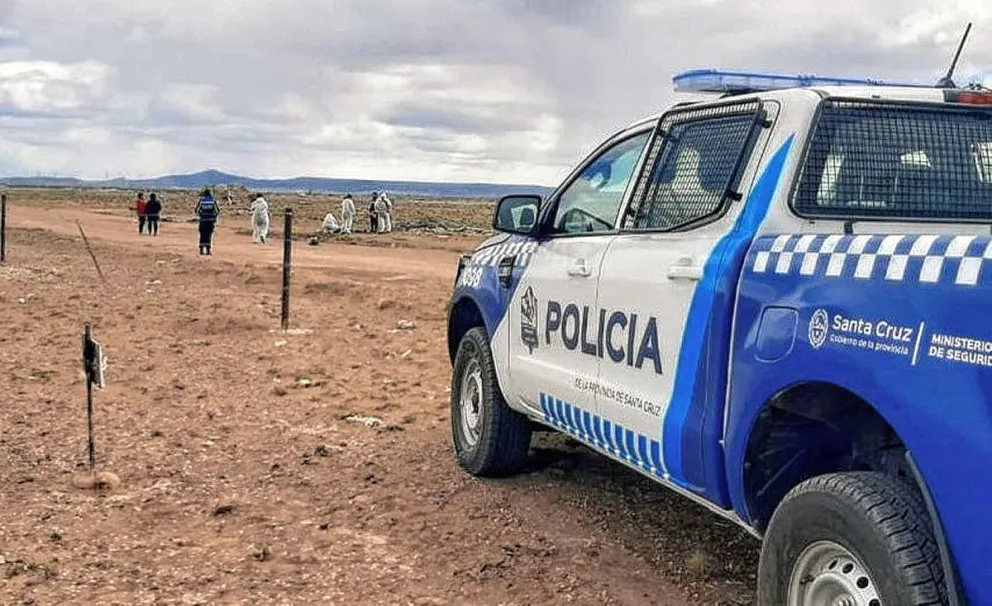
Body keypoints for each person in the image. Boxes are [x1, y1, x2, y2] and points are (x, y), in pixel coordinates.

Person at [195, 188, 220, 255]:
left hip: (202, 220)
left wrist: (201, 215)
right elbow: (217, 211)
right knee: (208, 235)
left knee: (202, 235)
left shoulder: (201, 200)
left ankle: (201, 250)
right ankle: (208, 250)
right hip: (210, 221)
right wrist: (213, 217)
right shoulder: (213, 200)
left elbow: (196, 210)